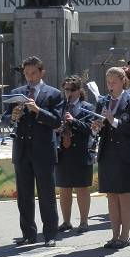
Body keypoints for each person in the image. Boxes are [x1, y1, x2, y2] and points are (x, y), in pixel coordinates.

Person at [5, 56, 62, 247]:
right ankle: (28, 233)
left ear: (42, 72)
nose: (29, 77)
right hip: (22, 150)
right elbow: (5, 119)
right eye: (26, 73)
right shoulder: (16, 93)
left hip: (43, 150)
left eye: (33, 73)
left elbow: (57, 121)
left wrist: (38, 110)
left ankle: (50, 234)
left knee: (47, 195)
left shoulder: (53, 94)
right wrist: (12, 117)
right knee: (24, 196)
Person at [93, 67, 130, 249]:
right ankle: (114, 235)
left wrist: (113, 120)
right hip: (107, 153)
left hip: (125, 154)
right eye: (108, 83)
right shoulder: (104, 101)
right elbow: (99, 127)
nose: (110, 86)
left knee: (124, 196)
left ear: (123, 80)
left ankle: (125, 236)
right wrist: (97, 125)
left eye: (114, 82)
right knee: (111, 196)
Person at [55, 76, 95, 234]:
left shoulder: (87, 107)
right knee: (64, 189)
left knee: (82, 188)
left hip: (80, 152)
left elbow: (90, 128)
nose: (68, 93)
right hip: (63, 152)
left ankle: (84, 222)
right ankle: (66, 222)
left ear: (79, 91)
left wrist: (73, 121)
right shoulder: (60, 107)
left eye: (71, 90)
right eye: (66, 90)